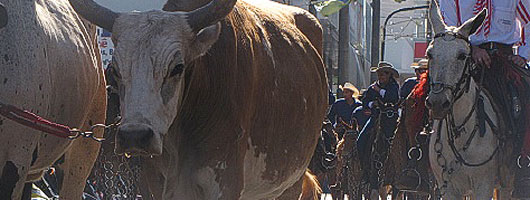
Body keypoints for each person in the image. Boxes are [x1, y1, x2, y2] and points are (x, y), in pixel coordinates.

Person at [439, 0, 530, 197]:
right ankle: (417, 161)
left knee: (526, 97)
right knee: (430, 97)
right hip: (464, 58)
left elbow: (529, 20)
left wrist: (523, 55)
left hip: (504, 59)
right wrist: (472, 49)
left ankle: (523, 163)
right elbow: (449, 29)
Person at [356, 61, 400, 162]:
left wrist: (379, 91)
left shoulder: (394, 86)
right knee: (360, 141)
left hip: (391, 118)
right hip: (375, 117)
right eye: (380, 74)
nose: (381, 76)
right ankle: (364, 166)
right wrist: (372, 104)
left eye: (384, 73)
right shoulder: (372, 88)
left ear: (389, 75)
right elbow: (365, 102)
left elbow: (393, 97)